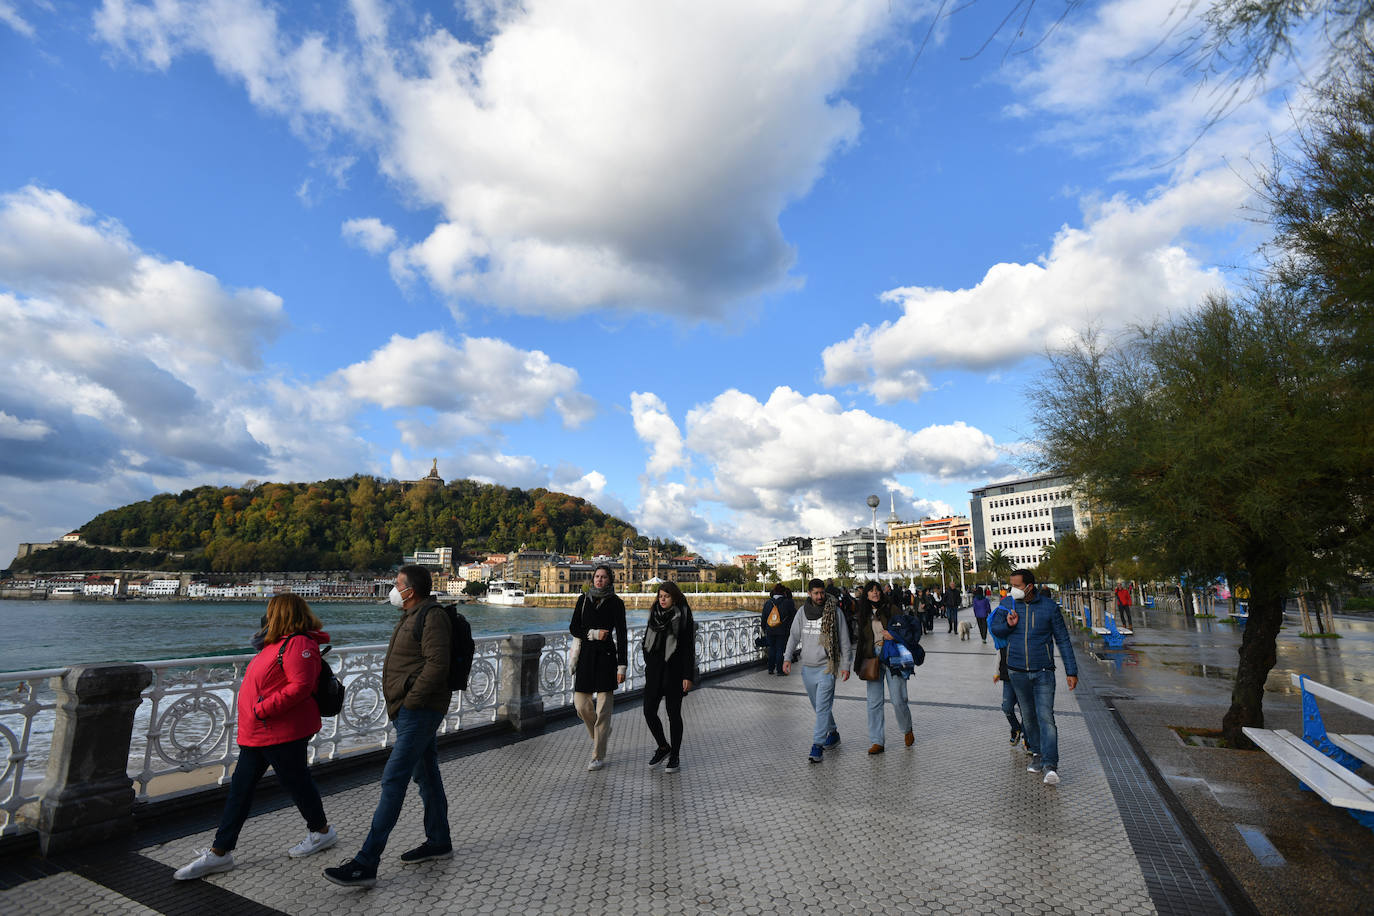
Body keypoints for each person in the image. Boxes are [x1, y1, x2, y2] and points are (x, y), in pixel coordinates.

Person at [174, 595, 336, 880]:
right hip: (260, 731)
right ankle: (220, 852)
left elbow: (300, 686)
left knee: (295, 784)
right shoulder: (275, 644)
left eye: (270, 612)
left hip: (282, 730)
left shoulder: (298, 643)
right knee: (245, 789)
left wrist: (262, 709)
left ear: (281, 614)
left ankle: (321, 832)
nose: (266, 616)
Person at [325, 565, 453, 888]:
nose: (394, 589)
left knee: (393, 779)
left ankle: (366, 862)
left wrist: (411, 699)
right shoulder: (412, 615)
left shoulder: (432, 616)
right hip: (410, 710)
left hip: (419, 711)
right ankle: (439, 840)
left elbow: (438, 664)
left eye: (398, 584)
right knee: (426, 775)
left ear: (411, 590)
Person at [989, 569, 1078, 787]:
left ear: (1029, 586)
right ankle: (1037, 753)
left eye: (1017, 585)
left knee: (1046, 717)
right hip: (1016, 671)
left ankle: (1050, 764)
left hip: (1043, 671)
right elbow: (996, 630)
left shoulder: (1048, 607)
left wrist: (1071, 670)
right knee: (1028, 717)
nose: (1013, 589)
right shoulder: (1008, 603)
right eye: (1011, 585)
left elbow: (1063, 640)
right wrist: (1008, 624)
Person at [782, 578, 852, 763]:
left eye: (822, 593)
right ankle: (833, 732)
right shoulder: (802, 613)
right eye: (816, 593)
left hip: (827, 667)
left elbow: (844, 640)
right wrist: (787, 657)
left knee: (822, 707)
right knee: (819, 707)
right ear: (809, 594)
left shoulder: (834, 612)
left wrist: (846, 666)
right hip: (808, 669)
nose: (820, 596)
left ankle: (817, 745)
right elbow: (793, 636)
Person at [570, 564, 628, 771]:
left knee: (603, 710)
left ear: (610, 580)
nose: (599, 580)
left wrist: (622, 666)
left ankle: (597, 756)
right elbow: (574, 627)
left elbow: (621, 635)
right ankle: (601, 734)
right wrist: (593, 634)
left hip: (606, 658)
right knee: (581, 706)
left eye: (604, 577)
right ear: (592, 578)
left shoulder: (616, 603)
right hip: (586, 656)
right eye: (597, 576)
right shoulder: (583, 600)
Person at [852, 580, 914, 754]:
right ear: (866, 595)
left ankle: (907, 728)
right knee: (874, 702)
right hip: (872, 658)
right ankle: (877, 740)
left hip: (892, 657)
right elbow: (862, 641)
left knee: (898, 699)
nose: (875, 593)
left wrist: (893, 634)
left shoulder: (891, 609)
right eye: (871, 591)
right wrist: (857, 664)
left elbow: (906, 628)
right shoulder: (863, 613)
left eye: (877, 590)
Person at [642, 581, 697, 773]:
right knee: (648, 710)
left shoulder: (683, 614)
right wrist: (648, 660)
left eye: (666, 596)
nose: (662, 599)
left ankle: (675, 756)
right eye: (660, 596)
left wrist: (687, 675)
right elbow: (646, 640)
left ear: (674, 597)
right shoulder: (654, 613)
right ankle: (664, 746)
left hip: (675, 671)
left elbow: (688, 647)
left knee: (673, 714)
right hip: (655, 671)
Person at [761, 584, 795, 676]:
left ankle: (770, 669)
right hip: (782, 630)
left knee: (772, 648)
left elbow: (764, 617)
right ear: (783, 592)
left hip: (770, 629)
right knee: (780, 649)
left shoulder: (768, 603)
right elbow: (793, 616)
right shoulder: (788, 602)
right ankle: (780, 670)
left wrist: (764, 628)